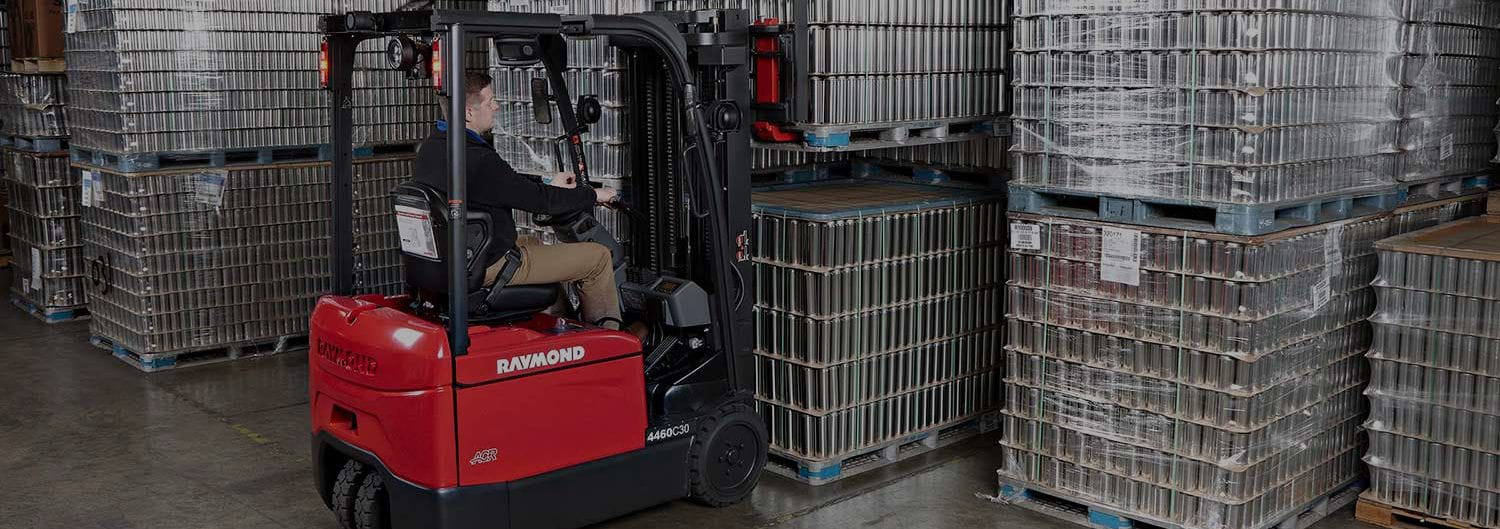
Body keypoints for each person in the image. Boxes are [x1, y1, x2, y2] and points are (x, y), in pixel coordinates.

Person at [413, 72, 623, 328]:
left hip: (458, 258)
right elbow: (541, 202)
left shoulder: (432, 149)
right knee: (598, 258)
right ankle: (609, 347)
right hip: (488, 264)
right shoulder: (478, 159)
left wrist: (549, 185)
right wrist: (593, 194)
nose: (496, 107)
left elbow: (509, 187)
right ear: (468, 112)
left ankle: (560, 328)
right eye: (490, 102)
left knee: (531, 241)